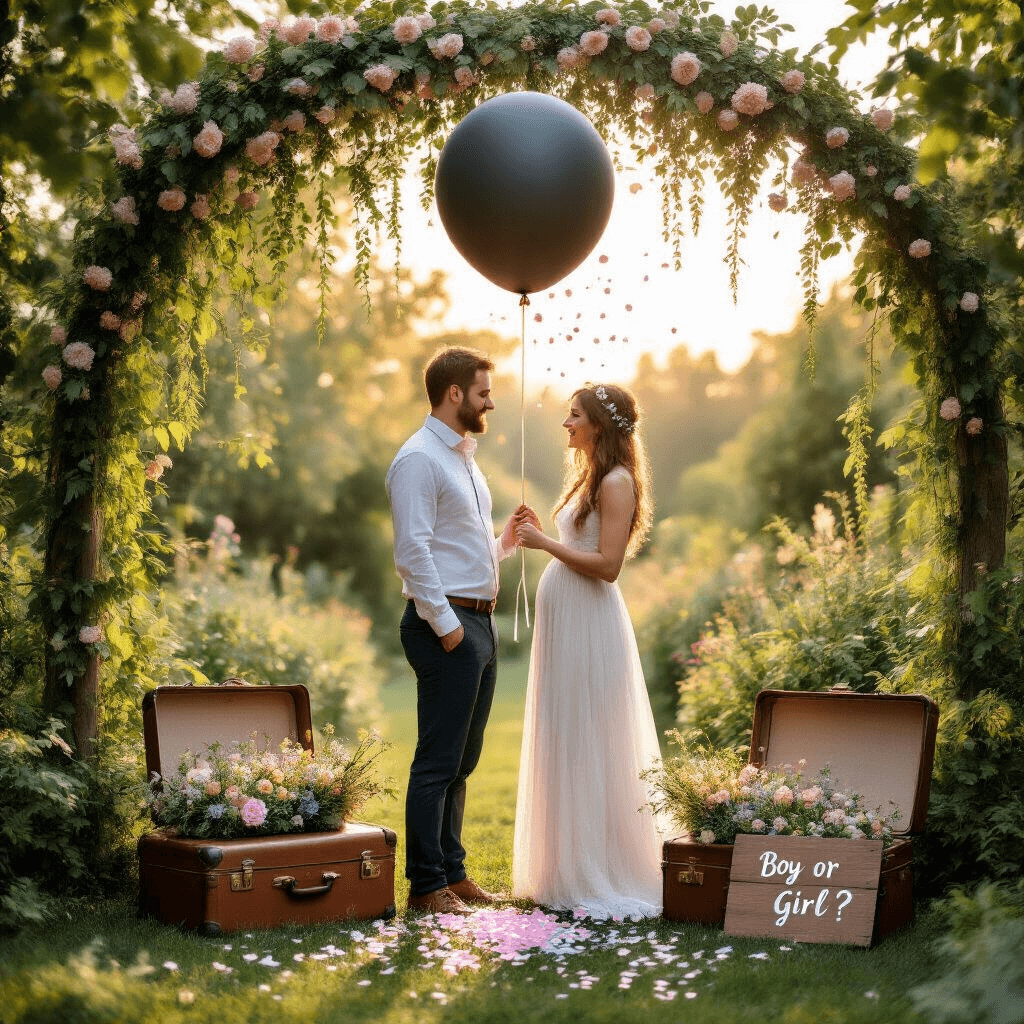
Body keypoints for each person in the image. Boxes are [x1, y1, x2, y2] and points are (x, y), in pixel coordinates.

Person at [511, 383, 663, 919]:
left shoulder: (618, 482)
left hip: (590, 621)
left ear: (598, 424)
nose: (565, 424)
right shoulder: (589, 478)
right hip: (565, 620)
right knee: (565, 731)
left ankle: (600, 866)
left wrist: (546, 544)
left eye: (574, 415)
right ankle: (562, 864)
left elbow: (609, 564)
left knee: (592, 735)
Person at [386, 346, 520, 916]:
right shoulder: (418, 459)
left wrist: (506, 543)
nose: (492, 400)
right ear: (456, 393)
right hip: (447, 626)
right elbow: (413, 552)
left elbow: (463, 550)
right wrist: (447, 629)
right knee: (437, 761)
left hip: (477, 622)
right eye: (484, 391)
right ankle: (425, 886)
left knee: (463, 760)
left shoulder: (465, 459)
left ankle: (455, 873)